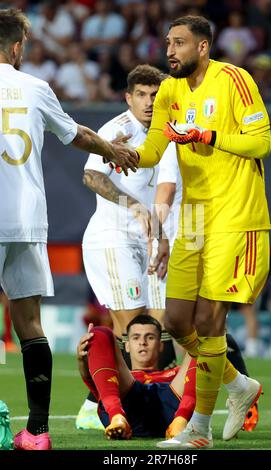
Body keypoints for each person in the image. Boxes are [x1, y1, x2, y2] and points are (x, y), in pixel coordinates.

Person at [0, 8, 138, 451]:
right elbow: (74, 134)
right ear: (18, 46)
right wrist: (112, 148)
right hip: (25, 221)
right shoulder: (35, 87)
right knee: (29, 324)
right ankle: (37, 432)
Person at [133, 15, 271, 449]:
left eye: (178, 43)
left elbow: (261, 141)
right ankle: (237, 385)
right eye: (167, 43)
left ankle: (199, 429)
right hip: (193, 218)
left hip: (234, 214)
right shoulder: (171, 89)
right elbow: (154, 150)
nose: (169, 51)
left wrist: (208, 133)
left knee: (211, 321)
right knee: (175, 321)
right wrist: (124, 155)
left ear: (203, 47)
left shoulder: (235, 79)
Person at [76, 65, 175, 429]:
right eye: (142, 95)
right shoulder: (117, 130)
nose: (149, 102)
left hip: (151, 239)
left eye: (155, 95)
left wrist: (162, 231)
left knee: (163, 324)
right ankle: (101, 406)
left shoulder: (167, 132)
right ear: (128, 97)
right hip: (113, 237)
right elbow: (91, 175)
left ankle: (133, 403)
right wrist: (133, 207)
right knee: (133, 326)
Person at [77, 315, 196, 440]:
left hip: (173, 406)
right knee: (99, 333)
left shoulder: (178, 373)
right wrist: (82, 359)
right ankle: (117, 418)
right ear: (127, 346)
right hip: (129, 407)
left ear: (161, 346)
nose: (142, 342)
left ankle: (181, 421)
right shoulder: (115, 376)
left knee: (202, 337)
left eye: (150, 337)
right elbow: (92, 382)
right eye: (136, 337)